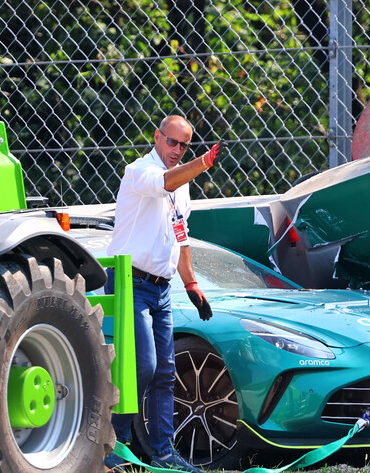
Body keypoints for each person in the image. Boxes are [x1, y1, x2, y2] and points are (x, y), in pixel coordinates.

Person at [103, 114, 222, 472]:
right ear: (157, 137)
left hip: (161, 287)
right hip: (130, 280)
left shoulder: (180, 183)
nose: (177, 150)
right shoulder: (140, 171)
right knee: (141, 366)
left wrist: (192, 284)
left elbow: (180, 235)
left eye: (184, 145)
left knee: (166, 372)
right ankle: (112, 446)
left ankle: (163, 452)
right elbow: (167, 181)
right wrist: (201, 163)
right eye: (172, 142)